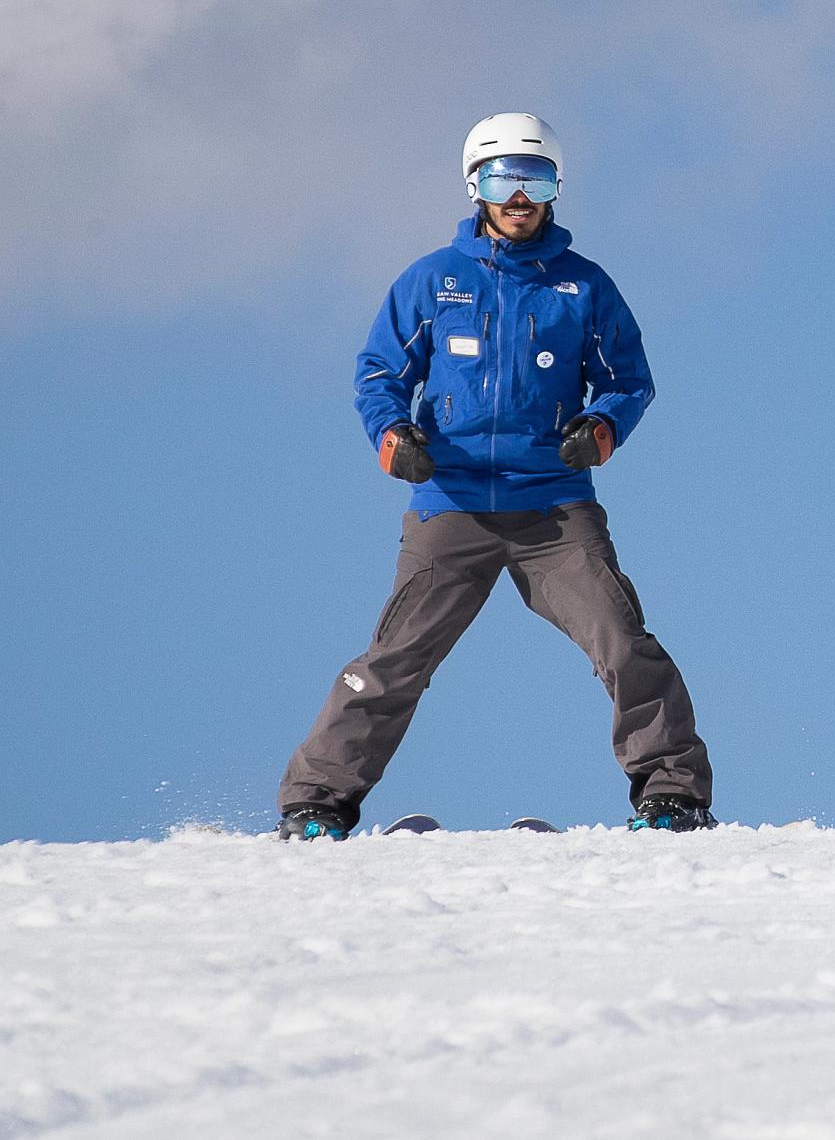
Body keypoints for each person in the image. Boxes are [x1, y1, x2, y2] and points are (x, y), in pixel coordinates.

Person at [274, 113, 715, 839]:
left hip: (553, 508)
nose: (519, 195)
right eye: (503, 178)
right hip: (451, 506)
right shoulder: (434, 281)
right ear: (474, 185)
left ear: (555, 190)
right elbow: (380, 372)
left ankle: (672, 795)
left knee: (621, 639)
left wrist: (600, 429)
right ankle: (317, 802)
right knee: (398, 656)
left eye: (535, 178)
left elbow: (629, 380)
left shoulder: (583, 287)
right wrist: (394, 439)